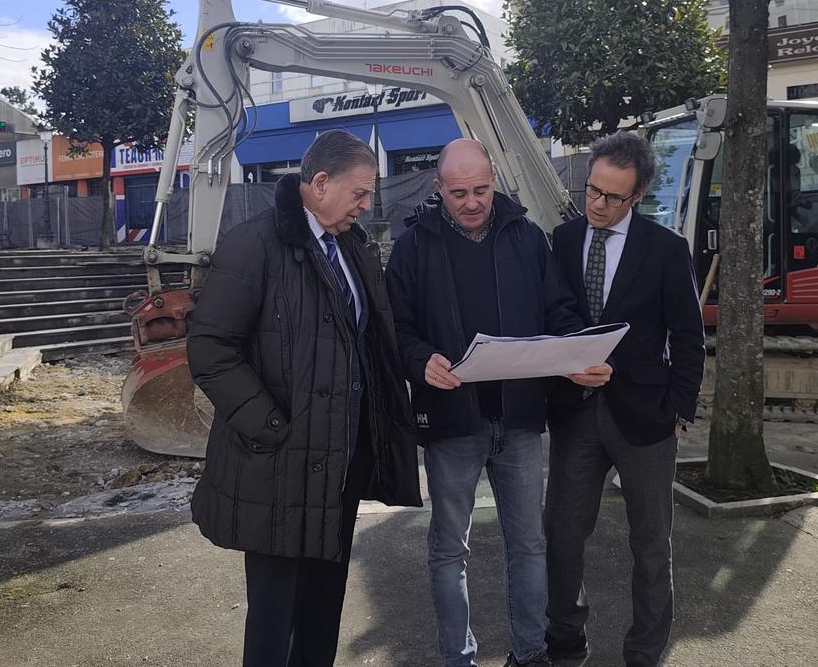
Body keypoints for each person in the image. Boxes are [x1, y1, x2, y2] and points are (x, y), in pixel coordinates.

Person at [187, 128, 422, 667]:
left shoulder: (352, 247)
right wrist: (273, 429)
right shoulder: (255, 244)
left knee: (322, 611)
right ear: (319, 183)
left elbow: (366, 343)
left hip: (337, 465)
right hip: (278, 467)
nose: (366, 206)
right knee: (273, 622)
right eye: (360, 193)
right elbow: (210, 349)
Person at [386, 138, 604, 667]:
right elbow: (395, 326)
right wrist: (420, 360)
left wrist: (576, 354)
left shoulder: (527, 238)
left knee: (529, 544)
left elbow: (559, 312)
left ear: (494, 183)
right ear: (439, 189)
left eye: (481, 189)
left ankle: (529, 654)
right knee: (447, 549)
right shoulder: (413, 246)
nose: (471, 201)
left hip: (521, 419)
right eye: (458, 192)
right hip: (452, 419)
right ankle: (457, 658)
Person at [544, 132, 705, 667]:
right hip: (574, 415)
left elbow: (687, 335)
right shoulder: (563, 241)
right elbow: (552, 317)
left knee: (651, 547)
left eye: (613, 197)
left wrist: (682, 408)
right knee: (563, 539)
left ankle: (645, 652)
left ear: (636, 197)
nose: (597, 204)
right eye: (592, 190)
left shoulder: (666, 250)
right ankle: (566, 644)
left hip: (647, 417)